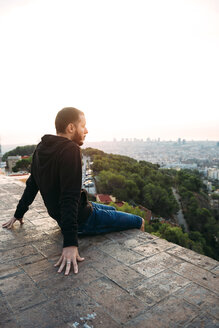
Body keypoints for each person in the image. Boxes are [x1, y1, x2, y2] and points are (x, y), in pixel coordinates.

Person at [2, 107, 144, 276]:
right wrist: (70, 243)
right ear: (71, 128)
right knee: (139, 221)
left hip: (72, 214)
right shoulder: (70, 149)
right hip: (82, 221)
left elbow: (33, 183)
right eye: (83, 126)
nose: (86, 130)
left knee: (112, 209)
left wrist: (19, 213)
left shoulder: (41, 147)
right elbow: (69, 196)